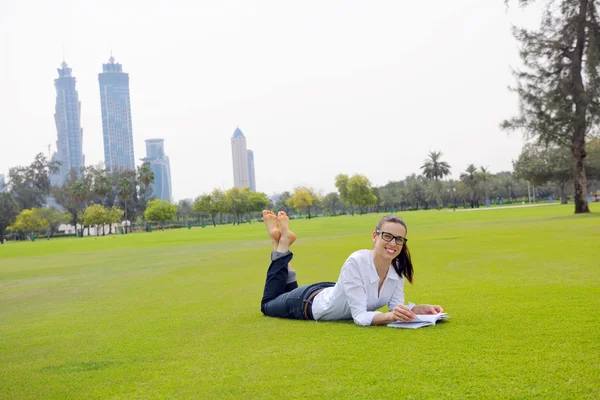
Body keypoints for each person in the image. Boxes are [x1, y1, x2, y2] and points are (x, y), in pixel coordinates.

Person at [260, 210, 443, 326]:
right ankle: (282, 243)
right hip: (306, 303)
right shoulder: (356, 261)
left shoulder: (397, 269)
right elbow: (360, 317)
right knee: (268, 304)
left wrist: (416, 310)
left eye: (399, 239)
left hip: (328, 290)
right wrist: (389, 317)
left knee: (286, 292)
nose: (393, 243)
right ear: (375, 236)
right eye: (387, 236)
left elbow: (395, 309)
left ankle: (279, 241)